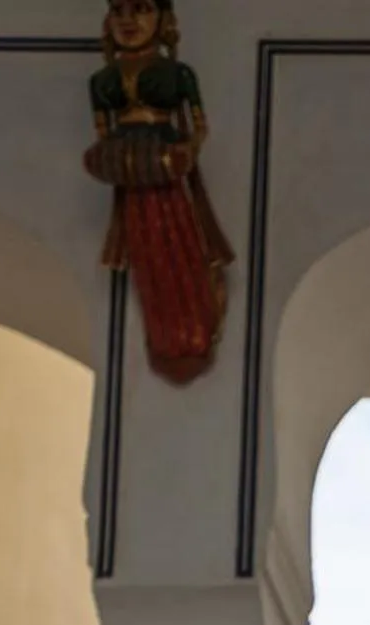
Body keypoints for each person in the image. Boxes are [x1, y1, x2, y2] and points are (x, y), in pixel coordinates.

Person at [85, 0, 234, 384]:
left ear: (163, 20)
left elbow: (197, 127)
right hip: (133, 171)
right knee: (145, 249)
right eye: (118, 11)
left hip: (168, 165)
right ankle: (166, 334)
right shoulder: (102, 81)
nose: (128, 21)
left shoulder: (177, 74)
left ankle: (193, 328)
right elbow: (104, 133)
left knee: (180, 244)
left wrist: (186, 150)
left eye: (141, 9)